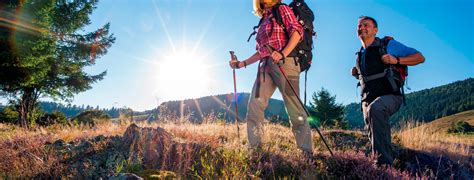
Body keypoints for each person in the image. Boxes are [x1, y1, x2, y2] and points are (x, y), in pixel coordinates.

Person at [229, 0, 313, 153]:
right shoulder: (263, 20)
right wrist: (242, 64)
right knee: (254, 106)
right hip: (265, 66)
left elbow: (297, 31)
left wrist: (282, 53)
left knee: (294, 108)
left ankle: (306, 152)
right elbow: (261, 51)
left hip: (286, 63)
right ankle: (256, 150)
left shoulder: (282, 9)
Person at [351, 16, 425, 165]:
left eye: (366, 25)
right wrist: (356, 73)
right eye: (359, 26)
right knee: (374, 132)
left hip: (391, 96)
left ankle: (383, 168)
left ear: (375, 30)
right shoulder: (359, 55)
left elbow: (419, 57)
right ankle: (379, 163)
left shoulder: (388, 45)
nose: (362, 28)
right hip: (367, 99)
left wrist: (396, 60)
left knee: (376, 109)